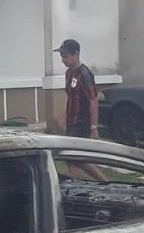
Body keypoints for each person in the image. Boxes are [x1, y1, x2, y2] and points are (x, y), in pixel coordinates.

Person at [54, 38, 106, 181]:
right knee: (72, 158)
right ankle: (73, 185)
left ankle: (103, 181)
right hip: (72, 121)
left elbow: (93, 100)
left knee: (76, 156)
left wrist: (93, 127)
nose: (63, 60)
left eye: (65, 56)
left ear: (75, 54)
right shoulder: (69, 73)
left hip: (82, 122)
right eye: (61, 57)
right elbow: (69, 98)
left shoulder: (84, 74)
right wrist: (65, 121)